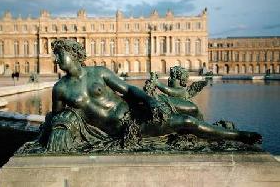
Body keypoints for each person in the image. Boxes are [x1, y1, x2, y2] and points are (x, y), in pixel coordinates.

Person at [39, 39, 261, 152]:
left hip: (137, 107)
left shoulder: (99, 72)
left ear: (74, 54)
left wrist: (150, 99)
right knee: (185, 120)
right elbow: (57, 117)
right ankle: (238, 136)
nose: (56, 61)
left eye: (59, 55)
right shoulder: (60, 89)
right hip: (124, 127)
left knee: (189, 108)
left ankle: (201, 135)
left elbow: (128, 90)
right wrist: (59, 127)